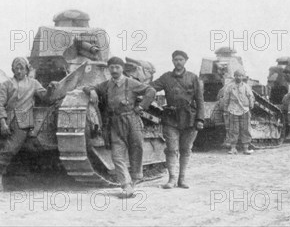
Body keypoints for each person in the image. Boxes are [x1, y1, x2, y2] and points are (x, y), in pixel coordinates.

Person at [83, 56, 156, 198]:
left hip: (131, 120)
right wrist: (91, 91)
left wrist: (141, 106)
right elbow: (87, 87)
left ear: (122, 68)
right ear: (108, 69)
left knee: (136, 149)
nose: (114, 70)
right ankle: (126, 185)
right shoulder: (105, 85)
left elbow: (151, 91)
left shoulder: (131, 83)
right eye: (112, 67)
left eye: (117, 67)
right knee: (117, 156)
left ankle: (135, 178)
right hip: (115, 122)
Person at [0, 57, 53, 193]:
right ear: (13, 69)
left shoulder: (34, 83)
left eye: (22, 68)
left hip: (23, 122)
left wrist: (51, 89)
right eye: (16, 68)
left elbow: (46, 98)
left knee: (10, 150)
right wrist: (2, 123)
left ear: (27, 69)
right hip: (4, 120)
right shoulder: (6, 84)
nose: (19, 71)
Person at [150, 50, 204, 189]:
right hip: (171, 118)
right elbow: (150, 88)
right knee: (172, 149)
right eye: (175, 59)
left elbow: (199, 99)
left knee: (186, 149)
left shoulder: (193, 77)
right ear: (172, 61)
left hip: (189, 118)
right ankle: (172, 179)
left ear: (185, 60)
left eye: (181, 59)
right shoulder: (166, 77)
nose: (178, 62)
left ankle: (182, 179)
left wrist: (200, 119)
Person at [221, 70, 255, 155]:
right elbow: (226, 98)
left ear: (243, 77)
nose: (239, 77)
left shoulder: (246, 87)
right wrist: (225, 108)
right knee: (233, 129)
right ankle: (233, 148)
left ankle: (246, 148)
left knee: (245, 129)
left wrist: (251, 106)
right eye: (237, 76)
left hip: (244, 110)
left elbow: (251, 97)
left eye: (241, 76)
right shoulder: (230, 87)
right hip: (233, 110)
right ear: (234, 76)